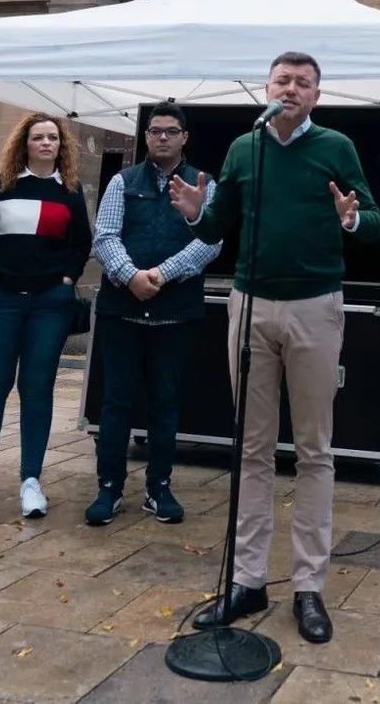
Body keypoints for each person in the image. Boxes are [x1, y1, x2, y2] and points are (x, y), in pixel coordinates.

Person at [170, 52, 380, 646]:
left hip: (315, 306)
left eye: (303, 83)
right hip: (250, 306)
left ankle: (309, 585)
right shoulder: (246, 148)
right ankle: (247, 579)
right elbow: (219, 225)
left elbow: (376, 223)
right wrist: (196, 215)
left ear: (317, 95)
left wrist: (350, 218)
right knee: (251, 447)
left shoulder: (337, 147)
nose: (291, 89)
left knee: (314, 449)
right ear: (265, 88)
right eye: (282, 80)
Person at [0, 112, 92, 521]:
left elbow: (81, 242)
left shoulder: (69, 190)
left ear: (61, 146)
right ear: (24, 144)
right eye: (38, 138)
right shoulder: (1, 186)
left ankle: (31, 480)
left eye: (52, 138)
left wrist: (68, 277)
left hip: (49, 304)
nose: (46, 143)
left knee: (37, 390)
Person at [88, 102, 220, 526]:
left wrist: (161, 274)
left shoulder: (204, 184)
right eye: (154, 131)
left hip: (175, 314)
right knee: (116, 404)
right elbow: (105, 235)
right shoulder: (121, 182)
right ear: (145, 137)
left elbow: (210, 241)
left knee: (166, 404)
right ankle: (108, 489)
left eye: (170, 131)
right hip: (121, 311)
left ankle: (158, 487)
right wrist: (131, 277)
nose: (162, 137)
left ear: (185, 137)